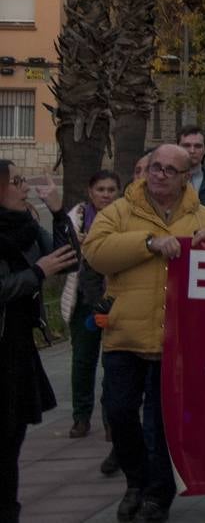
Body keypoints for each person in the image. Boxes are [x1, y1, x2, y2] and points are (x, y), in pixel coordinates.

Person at [83, 145, 205, 523]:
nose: (159, 175)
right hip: (125, 334)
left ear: (185, 176)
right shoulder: (120, 211)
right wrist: (147, 244)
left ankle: (156, 497)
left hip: (175, 342)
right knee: (119, 412)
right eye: (155, 167)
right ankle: (135, 481)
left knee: (162, 427)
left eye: (169, 170)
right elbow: (95, 252)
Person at [0, 160, 77, 522]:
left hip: (16, 353)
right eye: (16, 181)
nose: (25, 188)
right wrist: (36, 273)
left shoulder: (26, 226)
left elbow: (68, 260)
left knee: (10, 446)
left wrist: (58, 212)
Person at [52, 171, 120, 447]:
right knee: (83, 360)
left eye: (111, 189)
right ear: (90, 192)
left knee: (113, 362)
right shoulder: (77, 216)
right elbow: (63, 252)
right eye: (101, 189)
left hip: (116, 298)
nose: (106, 194)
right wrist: (79, 243)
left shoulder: (124, 217)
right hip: (83, 300)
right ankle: (81, 416)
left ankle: (110, 420)